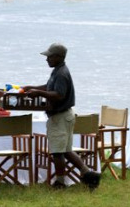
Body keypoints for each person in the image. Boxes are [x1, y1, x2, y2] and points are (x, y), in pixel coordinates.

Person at [22, 43, 101, 189]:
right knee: (66, 150)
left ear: (59, 57)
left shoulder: (61, 73)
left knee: (57, 152)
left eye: (50, 57)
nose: (47, 59)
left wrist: (38, 93)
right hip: (65, 116)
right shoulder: (57, 71)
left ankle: (60, 183)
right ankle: (89, 175)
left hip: (60, 117)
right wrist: (31, 88)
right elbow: (49, 87)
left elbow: (58, 95)